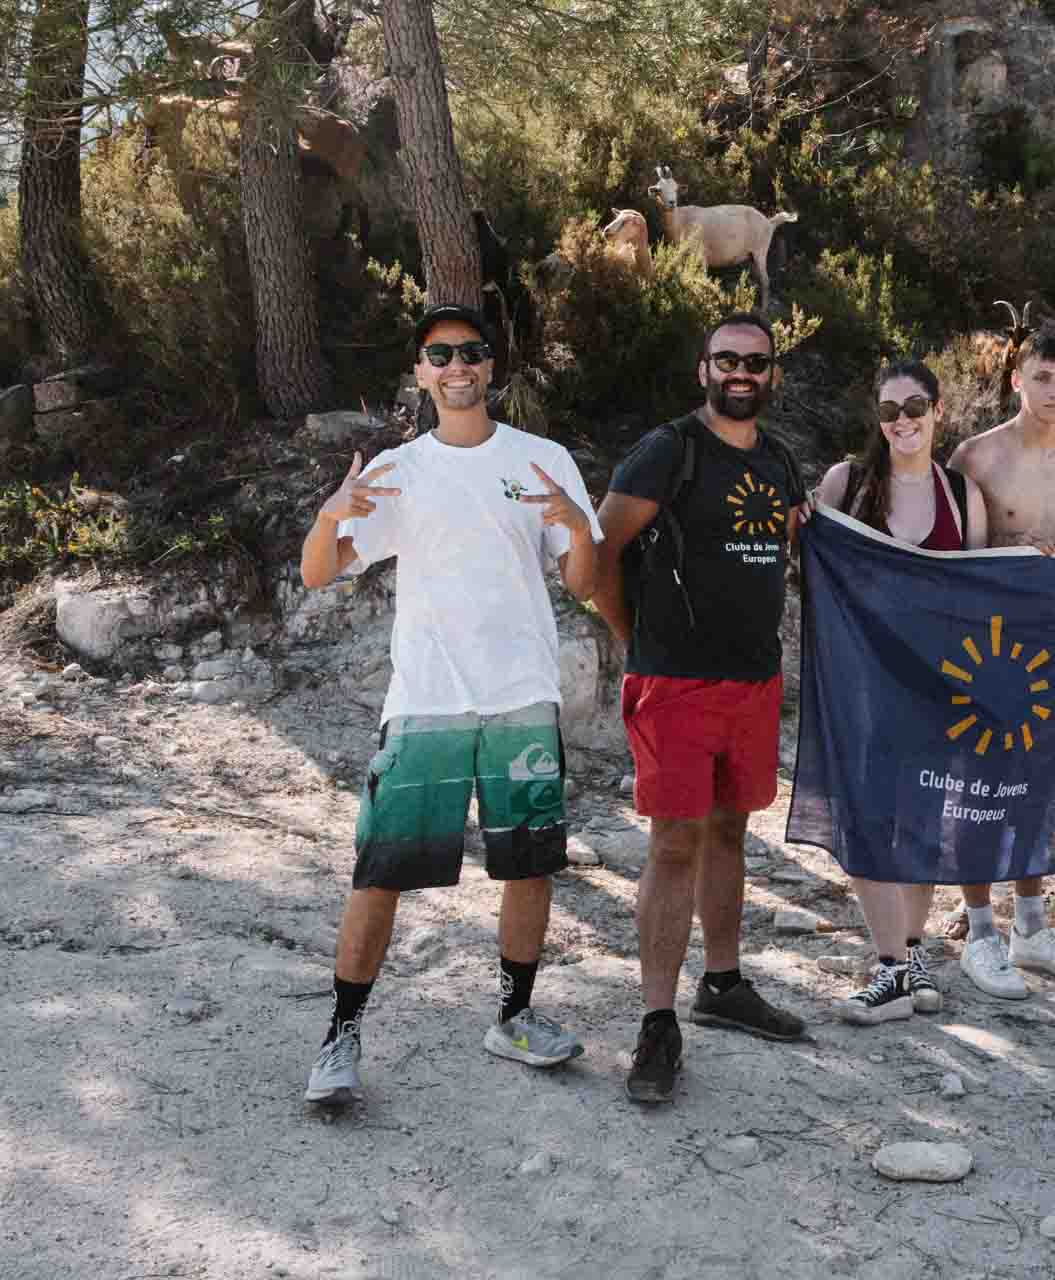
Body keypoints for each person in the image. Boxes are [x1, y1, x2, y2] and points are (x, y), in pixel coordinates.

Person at [299, 304, 603, 1106]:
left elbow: (582, 581)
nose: (457, 366)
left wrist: (578, 527)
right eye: (441, 355)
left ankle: (513, 1016)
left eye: (471, 352)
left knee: (529, 864)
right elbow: (318, 573)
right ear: (422, 371)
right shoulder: (398, 470)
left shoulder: (544, 460)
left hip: (520, 698)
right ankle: (340, 1038)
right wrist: (331, 516)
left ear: (491, 367)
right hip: (427, 700)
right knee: (381, 872)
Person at [592, 313, 812, 1103]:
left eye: (756, 362)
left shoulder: (783, 462)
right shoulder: (668, 451)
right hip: (675, 686)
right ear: (703, 369)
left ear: (772, 374)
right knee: (674, 844)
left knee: (729, 831)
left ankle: (722, 986)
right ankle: (657, 1020)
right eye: (728, 360)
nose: (742, 373)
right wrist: (634, 640)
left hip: (752, 685)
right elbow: (594, 558)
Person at [814, 360, 988, 1024]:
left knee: (920, 823)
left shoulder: (960, 492)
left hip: (936, 684)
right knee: (865, 818)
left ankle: (911, 955)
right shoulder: (847, 483)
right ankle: (889, 967)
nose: (903, 420)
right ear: (877, 420)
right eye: (889, 411)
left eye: (914, 405)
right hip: (859, 680)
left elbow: (981, 588)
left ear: (938, 410)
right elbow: (814, 563)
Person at [940, 325, 1055, 997]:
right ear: (1016, 379)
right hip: (982, 647)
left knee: (1037, 784)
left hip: (1046, 645)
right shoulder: (974, 457)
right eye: (1042, 377)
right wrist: (1008, 558)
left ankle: (1032, 927)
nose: (1054, 392)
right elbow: (951, 560)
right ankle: (981, 931)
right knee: (981, 786)